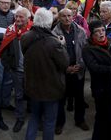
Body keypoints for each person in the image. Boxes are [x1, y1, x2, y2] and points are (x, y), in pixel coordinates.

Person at [22, 8, 69, 140]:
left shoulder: (25, 37)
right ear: (49, 23)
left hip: (32, 86)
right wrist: (62, 45)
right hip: (51, 88)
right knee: (49, 121)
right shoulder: (54, 42)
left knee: (34, 117)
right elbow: (65, 63)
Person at [53, 8, 89, 134]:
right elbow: (53, 55)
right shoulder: (54, 33)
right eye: (64, 16)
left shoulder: (81, 31)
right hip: (63, 71)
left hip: (78, 69)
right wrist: (65, 68)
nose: (67, 18)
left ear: (73, 16)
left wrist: (81, 65)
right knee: (60, 99)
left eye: (69, 15)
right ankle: (59, 123)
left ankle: (80, 120)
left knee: (79, 97)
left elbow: (86, 50)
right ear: (59, 17)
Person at [82, 20, 111, 140]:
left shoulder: (110, 43)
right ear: (92, 34)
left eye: (103, 30)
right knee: (102, 118)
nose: (101, 33)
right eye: (97, 31)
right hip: (101, 89)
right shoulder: (88, 49)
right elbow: (94, 68)